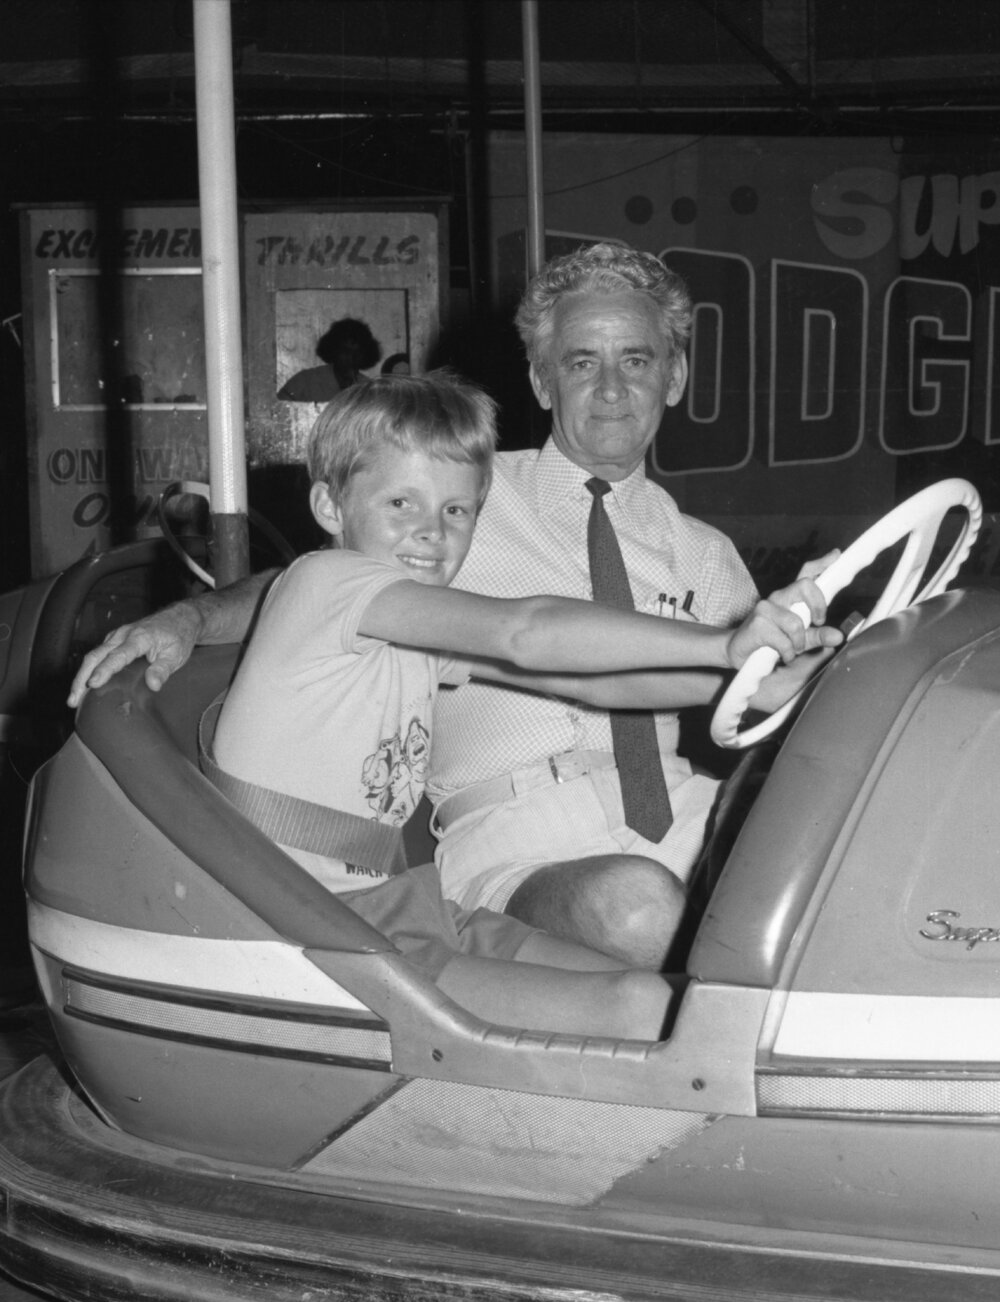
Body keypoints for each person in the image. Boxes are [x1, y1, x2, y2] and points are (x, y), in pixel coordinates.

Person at [71, 244, 835, 969]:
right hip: (509, 827)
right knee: (643, 912)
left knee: (835, 867)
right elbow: (341, 591)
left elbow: (601, 681)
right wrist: (190, 617)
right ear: (541, 382)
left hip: (676, 808)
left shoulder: (704, 551)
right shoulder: (453, 485)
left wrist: (795, 674)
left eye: (636, 360)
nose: (610, 389)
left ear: (674, 376)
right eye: (581, 362)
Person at [192, 370, 835, 1041]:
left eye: (457, 511)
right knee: (647, 1013)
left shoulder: (409, 626)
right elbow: (524, 633)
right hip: (306, 923)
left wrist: (745, 685)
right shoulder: (330, 581)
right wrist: (722, 644)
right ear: (329, 507)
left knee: (656, 996)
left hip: (399, 905)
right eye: (400, 505)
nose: (432, 534)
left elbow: (588, 684)